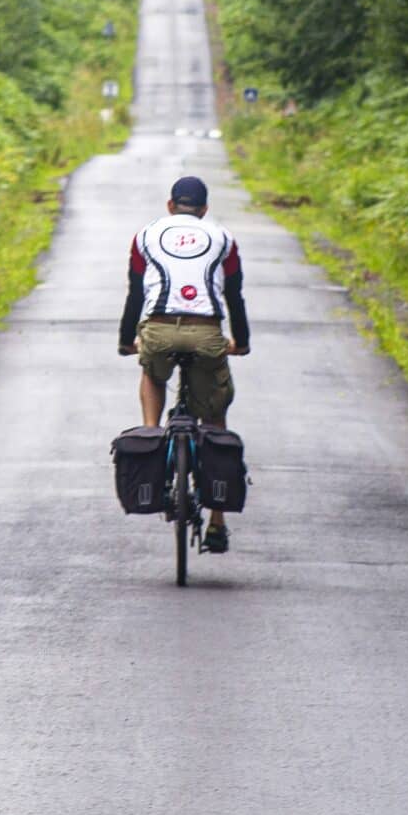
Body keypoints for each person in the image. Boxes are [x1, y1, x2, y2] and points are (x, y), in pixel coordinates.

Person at [117, 173, 249, 551]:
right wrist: (241, 341)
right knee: (215, 412)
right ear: (204, 210)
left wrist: (128, 340)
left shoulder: (145, 236)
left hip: (157, 329)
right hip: (207, 332)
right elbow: (235, 296)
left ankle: (149, 436)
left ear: (170, 205)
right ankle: (217, 523)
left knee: (152, 373)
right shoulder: (223, 239)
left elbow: (135, 292)